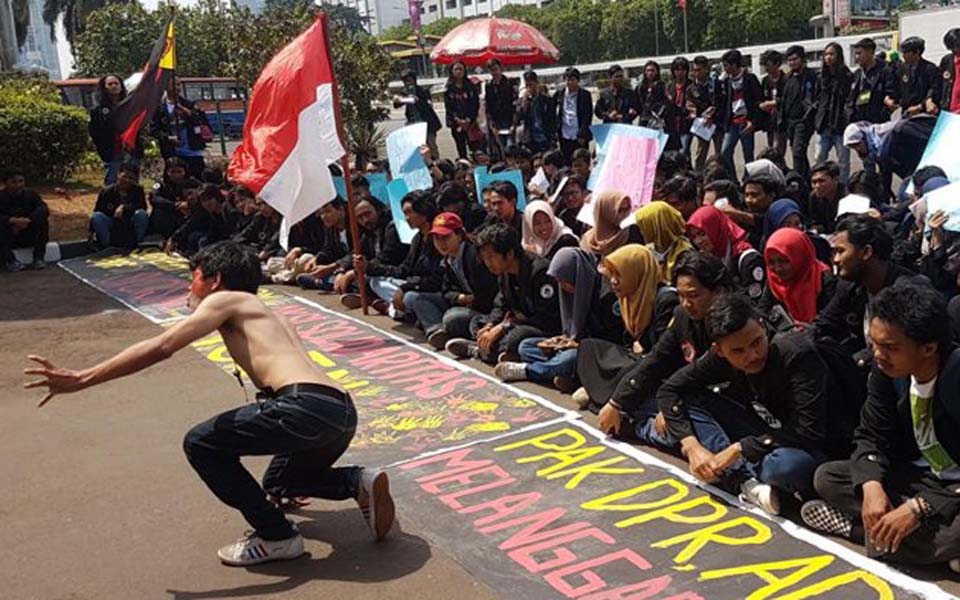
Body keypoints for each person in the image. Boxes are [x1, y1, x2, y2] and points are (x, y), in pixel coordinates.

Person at [22, 241, 397, 566]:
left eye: (194, 276)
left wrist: (83, 378)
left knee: (201, 442)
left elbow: (163, 346)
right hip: (339, 411)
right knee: (280, 481)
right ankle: (355, 481)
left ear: (214, 279)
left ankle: (276, 536)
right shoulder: (272, 313)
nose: (190, 285)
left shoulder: (224, 299)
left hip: (302, 408)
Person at [803, 282, 960, 571]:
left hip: (953, 489)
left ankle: (859, 533)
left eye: (890, 347)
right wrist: (872, 485)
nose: (877, 354)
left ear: (928, 348)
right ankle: (932, 549)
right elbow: (871, 433)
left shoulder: (954, 375)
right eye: (874, 343)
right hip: (921, 476)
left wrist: (919, 507)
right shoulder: (887, 371)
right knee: (829, 478)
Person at [656, 293, 833, 514]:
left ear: (762, 327)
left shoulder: (797, 354)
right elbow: (669, 390)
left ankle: (735, 475)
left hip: (803, 444)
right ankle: (742, 480)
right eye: (738, 351)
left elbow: (808, 431)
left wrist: (739, 448)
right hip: (762, 429)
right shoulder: (718, 357)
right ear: (720, 350)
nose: (752, 355)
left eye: (757, 342)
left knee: (785, 468)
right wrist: (692, 447)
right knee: (689, 402)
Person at [594, 252, 732, 438]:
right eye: (681, 296)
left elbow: (705, 374)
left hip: (719, 399)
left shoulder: (733, 324)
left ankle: (641, 429)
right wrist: (616, 403)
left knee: (688, 427)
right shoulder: (682, 315)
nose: (686, 304)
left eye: (693, 295)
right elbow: (657, 358)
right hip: (682, 389)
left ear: (718, 292)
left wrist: (672, 406)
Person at [499, 245, 675, 388]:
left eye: (618, 275)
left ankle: (533, 371)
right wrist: (564, 341)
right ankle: (567, 373)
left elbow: (618, 344)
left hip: (607, 354)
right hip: (590, 350)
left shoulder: (610, 297)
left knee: (572, 358)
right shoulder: (627, 297)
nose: (613, 281)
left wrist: (579, 346)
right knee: (527, 346)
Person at [813, 214, 926, 366]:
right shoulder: (849, 285)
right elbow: (824, 323)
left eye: (841, 251)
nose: (836, 260)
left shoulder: (908, 292)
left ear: (866, 252)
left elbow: (906, 346)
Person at [445, 223, 561, 364]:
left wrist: (505, 326)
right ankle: (494, 350)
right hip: (515, 322)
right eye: (484, 258)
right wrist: (491, 324)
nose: (488, 263)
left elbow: (547, 318)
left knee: (516, 337)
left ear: (510, 253)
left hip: (541, 327)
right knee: (477, 323)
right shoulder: (504, 273)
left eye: (492, 257)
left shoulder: (539, 272)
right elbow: (500, 304)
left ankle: (481, 350)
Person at [407, 212, 498, 350]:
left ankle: (455, 331)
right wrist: (459, 297)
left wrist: (470, 300)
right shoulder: (447, 259)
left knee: (452, 318)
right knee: (418, 299)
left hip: (484, 309)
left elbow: (488, 292)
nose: (441, 243)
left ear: (459, 235)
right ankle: (437, 330)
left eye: (445, 237)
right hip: (462, 303)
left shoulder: (474, 255)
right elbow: (445, 289)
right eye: (437, 238)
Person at [344, 190, 441, 318]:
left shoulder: (439, 238)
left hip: (429, 289)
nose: (407, 218)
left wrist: (405, 288)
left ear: (424, 211)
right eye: (404, 213)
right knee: (376, 282)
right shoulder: (417, 238)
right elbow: (404, 270)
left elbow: (436, 279)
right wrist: (367, 267)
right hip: (412, 284)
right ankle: (394, 307)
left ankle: (393, 308)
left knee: (410, 298)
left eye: (410, 212)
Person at [843, 116, 937, 201]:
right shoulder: (878, 151)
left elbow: (928, 138)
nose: (857, 150)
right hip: (916, 173)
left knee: (904, 195)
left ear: (864, 137)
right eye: (853, 147)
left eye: (857, 145)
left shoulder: (898, 131)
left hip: (932, 162)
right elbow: (885, 175)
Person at [686, 205, 766, 301]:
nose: (698, 241)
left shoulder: (748, 260)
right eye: (694, 236)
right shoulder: (710, 260)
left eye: (702, 234)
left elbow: (755, 301)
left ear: (716, 229)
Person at [759, 227, 836, 325]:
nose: (777, 268)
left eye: (783, 261)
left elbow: (832, 320)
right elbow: (762, 310)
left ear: (799, 256)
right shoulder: (774, 280)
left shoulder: (823, 280)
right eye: (771, 262)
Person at [150, 76, 208, 177]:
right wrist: (168, 138)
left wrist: (185, 111)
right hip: (172, 151)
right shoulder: (159, 107)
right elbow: (154, 130)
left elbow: (200, 121)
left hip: (192, 149)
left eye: (178, 84)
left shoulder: (189, 104)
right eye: (173, 84)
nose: (176, 88)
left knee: (197, 177)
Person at [719, 49, 763, 182]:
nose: (725, 69)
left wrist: (754, 122)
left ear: (734, 65)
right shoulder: (726, 81)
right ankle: (733, 180)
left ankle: (748, 179)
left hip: (746, 122)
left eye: (726, 65)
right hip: (732, 122)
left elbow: (758, 101)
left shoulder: (750, 79)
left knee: (748, 154)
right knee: (725, 152)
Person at [88, 74, 140, 185]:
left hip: (131, 150)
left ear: (121, 86)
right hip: (112, 152)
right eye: (110, 84)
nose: (114, 86)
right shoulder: (98, 111)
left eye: (116, 83)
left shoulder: (131, 106)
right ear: (104, 88)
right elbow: (94, 132)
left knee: (132, 183)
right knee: (111, 183)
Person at [815, 43, 854, 185]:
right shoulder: (821, 76)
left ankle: (842, 187)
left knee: (843, 160)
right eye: (826, 54)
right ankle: (818, 184)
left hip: (841, 125)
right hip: (824, 123)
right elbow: (817, 98)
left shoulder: (847, 75)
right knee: (819, 157)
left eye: (832, 54)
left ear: (839, 56)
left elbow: (850, 99)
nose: (828, 57)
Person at [779, 45, 817, 181]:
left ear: (802, 59)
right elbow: (783, 100)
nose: (792, 63)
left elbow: (816, 98)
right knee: (798, 153)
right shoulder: (787, 78)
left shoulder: (811, 76)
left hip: (804, 120)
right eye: (789, 60)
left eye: (795, 59)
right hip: (790, 121)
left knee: (798, 151)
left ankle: (797, 182)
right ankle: (806, 179)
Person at [90, 163, 149, 249]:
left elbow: (142, 206)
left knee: (142, 214)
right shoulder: (106, 191)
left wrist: (124, 207)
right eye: (125, 177)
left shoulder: (138, 190)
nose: (127, 180)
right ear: (118, 174)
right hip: (112, 222)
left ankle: (138, 242)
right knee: (97, 217)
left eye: (131, 178)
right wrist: (91, 231)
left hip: (129, 221)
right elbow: (98, 210)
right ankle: (106, 246)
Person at [634, 201, 693, 283]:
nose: (641, 231)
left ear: (657, 227)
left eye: (645, 225)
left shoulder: (684, 253)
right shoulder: (647, 251)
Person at [0, 170, 49, 271]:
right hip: (8, 236)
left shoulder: (31, 195)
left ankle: (38, 259)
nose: (18, 185)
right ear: (5, 183)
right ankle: (10, 261)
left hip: (27, 232)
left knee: (42, 223)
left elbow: (43, 209)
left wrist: (28, 220)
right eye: (14, 182)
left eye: (21, 181)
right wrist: (12, 221)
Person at [885, 36, 941, 118]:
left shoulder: (930, 68)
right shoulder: (901, 68)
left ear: (917, 52)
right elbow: (895, 87)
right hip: (906, 113)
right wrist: (889, 98)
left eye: (906, 52)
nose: (903, 55)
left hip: (924, 113)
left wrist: (920, 106)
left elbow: (934, 89)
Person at [846, 38, 893, 130]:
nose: (856, 57)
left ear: (870, 52)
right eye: (855, 54)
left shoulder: (885, 71)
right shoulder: (857, 74)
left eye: (859, 53)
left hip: (879, 124)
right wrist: (850, 116)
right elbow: (850, 98)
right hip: (859, 123)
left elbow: (890, 93)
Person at [395, 69, 443, 160]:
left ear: (414, 80)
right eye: (405, 81)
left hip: (427, 123)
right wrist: (403, 99)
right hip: (413, 123)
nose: (408, 83)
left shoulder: (423, 91)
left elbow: (428, 105)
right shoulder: (404, 92)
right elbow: (396, 104)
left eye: (409, 80)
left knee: (431, 144)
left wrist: (417, 99)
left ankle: (436, 163)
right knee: (418, 147)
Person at [579, 190, 643, 257]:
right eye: (620, 210)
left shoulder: (632, 233)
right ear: (605, 211)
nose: (625, 214)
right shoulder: (588, 241)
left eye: (627, 209)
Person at [553, 67, 593, 163]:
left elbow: (588, 115)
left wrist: (583, 134)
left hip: (579, 136)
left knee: (581, 161)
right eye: (567, 80)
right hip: (564, 135)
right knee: (566, 161)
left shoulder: (585, 95)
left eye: (572, 80)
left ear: (578, 81)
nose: (569, 82)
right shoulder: (559, 94)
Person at [443, 60, 481, 160]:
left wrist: (468, 119)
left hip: (471, 123)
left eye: (461, 69)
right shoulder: (448, 88)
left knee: (476, 149)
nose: (459, 71)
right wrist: (458, 121)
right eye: (456, 69)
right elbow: (449, 107)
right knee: (461, 149)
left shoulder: (470, 86)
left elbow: (475, 104)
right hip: (456, 124)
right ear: (451, 71)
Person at [516, 70, 556, 154]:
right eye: (527, 85)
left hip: (544, 138)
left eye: (531, 85)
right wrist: (524, 105)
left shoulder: (547, 100)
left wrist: (552, 138)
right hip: (530, 138)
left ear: (536, 83)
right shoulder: (523, 100)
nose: (529, 88)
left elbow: (552, 120)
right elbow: (519, 118)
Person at [688, 55, 717, 170]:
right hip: (703, 125)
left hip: (717, 123)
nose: (696, 73)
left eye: (699, 69)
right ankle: (698, 178)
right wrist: (692, 111)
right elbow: (689, 104)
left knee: (720, 153)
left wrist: (713, 114)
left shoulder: (717, 84)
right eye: (694, 70)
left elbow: (723, 102)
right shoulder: (691, 88)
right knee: (700, 153)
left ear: (706, 69)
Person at [484, 59, 517, 160]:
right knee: (500, 148)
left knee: (510, 147)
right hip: (496, 121)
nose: (494, 73)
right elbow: (488, 106)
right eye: (491, 70)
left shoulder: (510, 83)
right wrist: (491, 124)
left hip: (509, 119)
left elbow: (515, 104)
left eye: (495, 69)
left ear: (500, 69)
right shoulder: (488, 85)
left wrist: (514, 123)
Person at [149, 158, 189, 239]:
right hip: (167, 216)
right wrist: (175, 205)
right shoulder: (159, 184)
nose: (176, 175)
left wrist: (188, 204)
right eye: (172, 172)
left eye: (179, 172)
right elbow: (154, 198)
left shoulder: (191, 182)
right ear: (167, 172)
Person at [804, 161, 846, 234]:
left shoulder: (848, 198)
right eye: (814, 182)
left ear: (835, 179)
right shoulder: (813, 197)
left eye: (821, 181)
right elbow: (816, 222)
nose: (817, 186)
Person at [758, 50, 786, 157]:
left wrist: (774, 103)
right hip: (769, 119)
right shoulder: (765, 80)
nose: (766, 68)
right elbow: (761, 97)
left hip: (782, 119)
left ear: (777, 64)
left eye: (768, 65)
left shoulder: (785, 79)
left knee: (778, 147)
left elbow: (787, 99)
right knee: (771, 147)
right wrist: (761, 104)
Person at [665, 57, 694, 155]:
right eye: (677, 69)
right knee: (676, 153)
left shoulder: (692, 85)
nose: (680, 72)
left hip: (686, 124)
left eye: (683, 69)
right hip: (672, 125)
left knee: (683, 150)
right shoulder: (669, 86)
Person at [637, 61, 668, 130]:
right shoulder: (640, 87)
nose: (650, 73)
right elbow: (637, 101)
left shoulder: (662, 86)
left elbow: (665, 101)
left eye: (652, 70)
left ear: (657, 72)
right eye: (648, 70)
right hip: (644, 118)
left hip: (657, 119)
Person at [938, 28, 960, 114]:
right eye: (951, 48)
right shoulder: (947, 60)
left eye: (956, 47)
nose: (954, 51)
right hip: (949, 113)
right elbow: (940, 83)